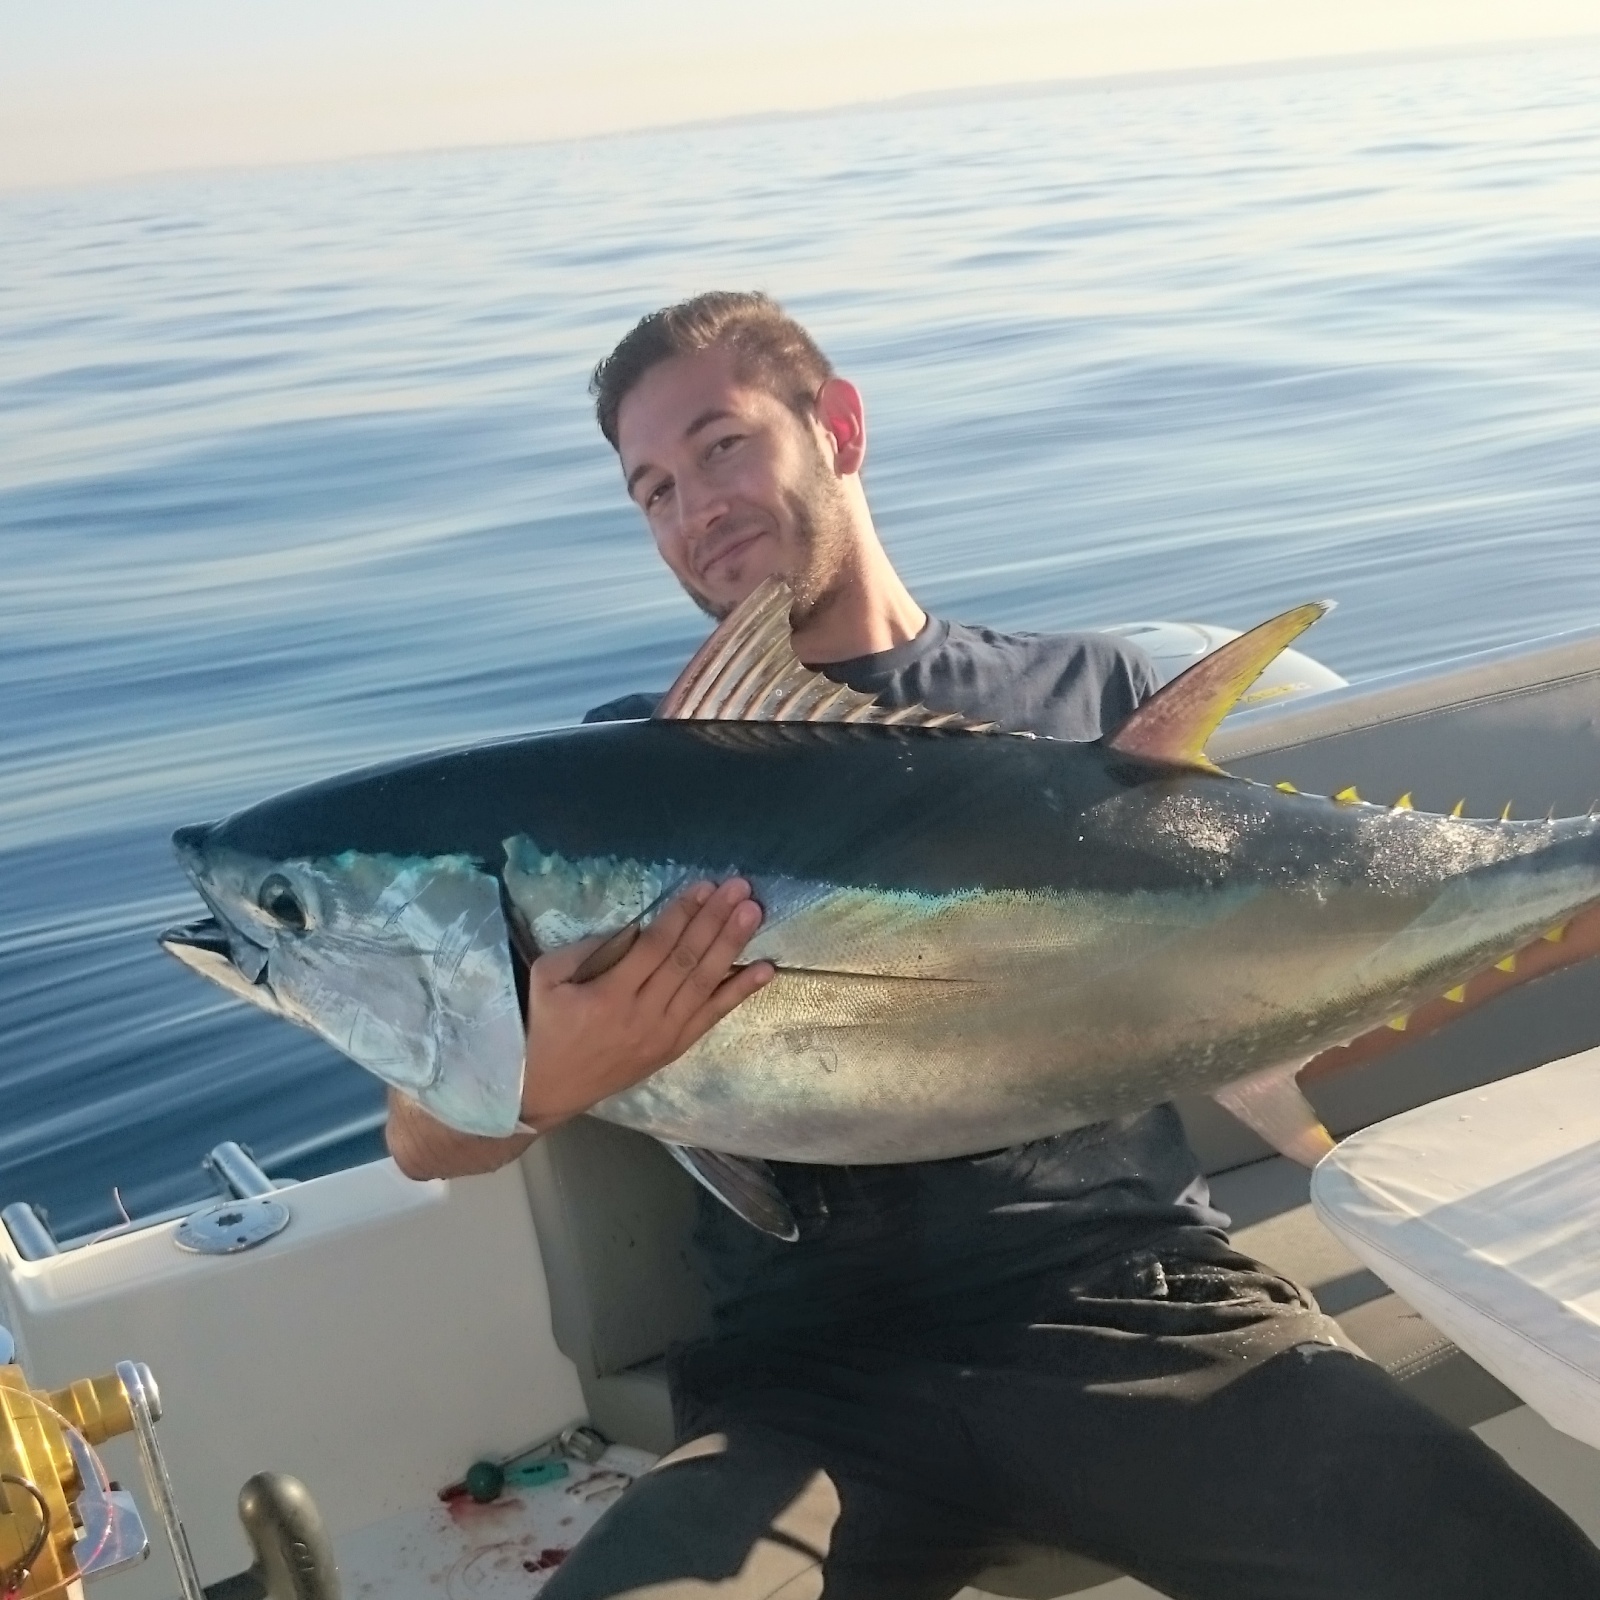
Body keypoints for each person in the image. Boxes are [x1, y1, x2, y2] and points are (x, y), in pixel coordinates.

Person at [386, 292, 1600, 1598]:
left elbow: (1282, 975)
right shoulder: (631, 783)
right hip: (806, 1391)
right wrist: (548, 1072)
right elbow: (421, 1134)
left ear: (836, 424)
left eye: (722, 446)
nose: (697, 508)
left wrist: (1548, 917)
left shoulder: (1084, 706)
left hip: (1138, 1307)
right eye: (654, 489)